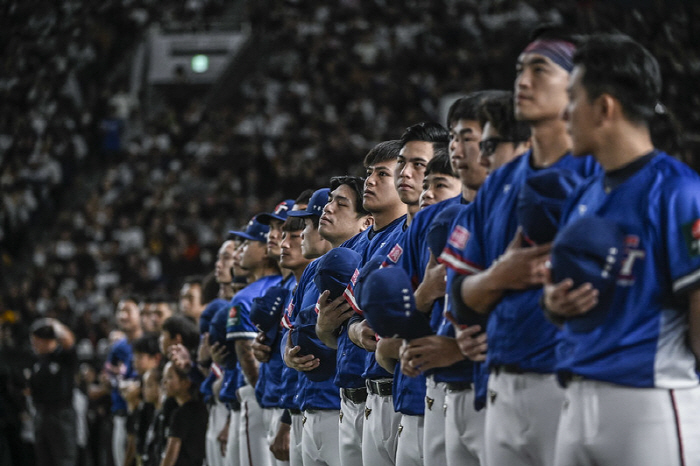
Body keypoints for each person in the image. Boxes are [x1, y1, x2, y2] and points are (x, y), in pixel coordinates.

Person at [543, 33, 700, 466]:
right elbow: (555, 303)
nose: (565, 112)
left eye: (572, 98)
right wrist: (554, 303)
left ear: (605, 107)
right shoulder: (582, 195)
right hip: (574, 398)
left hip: (649, 403)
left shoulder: (680, 191)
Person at [452, 26, 598, 466]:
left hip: (572, 381)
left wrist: (487, 285)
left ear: (577, 85)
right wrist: (501, 275)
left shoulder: (600, 172)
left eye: (540, 69)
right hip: (499, 384)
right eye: (519, 69)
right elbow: (460, 301)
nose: (523, 80)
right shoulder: (497, 183)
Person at [227, 217, 283, 466]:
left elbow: (248, 358)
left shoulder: (245, 296)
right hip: (287, 395)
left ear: (264, 251)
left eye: (248, 243)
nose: (239, 251)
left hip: (260, 395)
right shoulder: (288, 283)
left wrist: (264, 393)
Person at [28, 318, 78, 466]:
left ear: (47, 341)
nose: (34, 345)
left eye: (37, 341)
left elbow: (68, 340)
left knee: (64, 460)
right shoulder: (37, 360)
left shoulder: (63, 356)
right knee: (44, 460)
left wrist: (51, 323)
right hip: (41, 414)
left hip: (61, 415)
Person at [160, 361, 208, 466]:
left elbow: (171, 453)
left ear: (186, 382)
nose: (164, 382)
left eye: (170, 377)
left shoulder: (181, 414)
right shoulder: (201, 408)